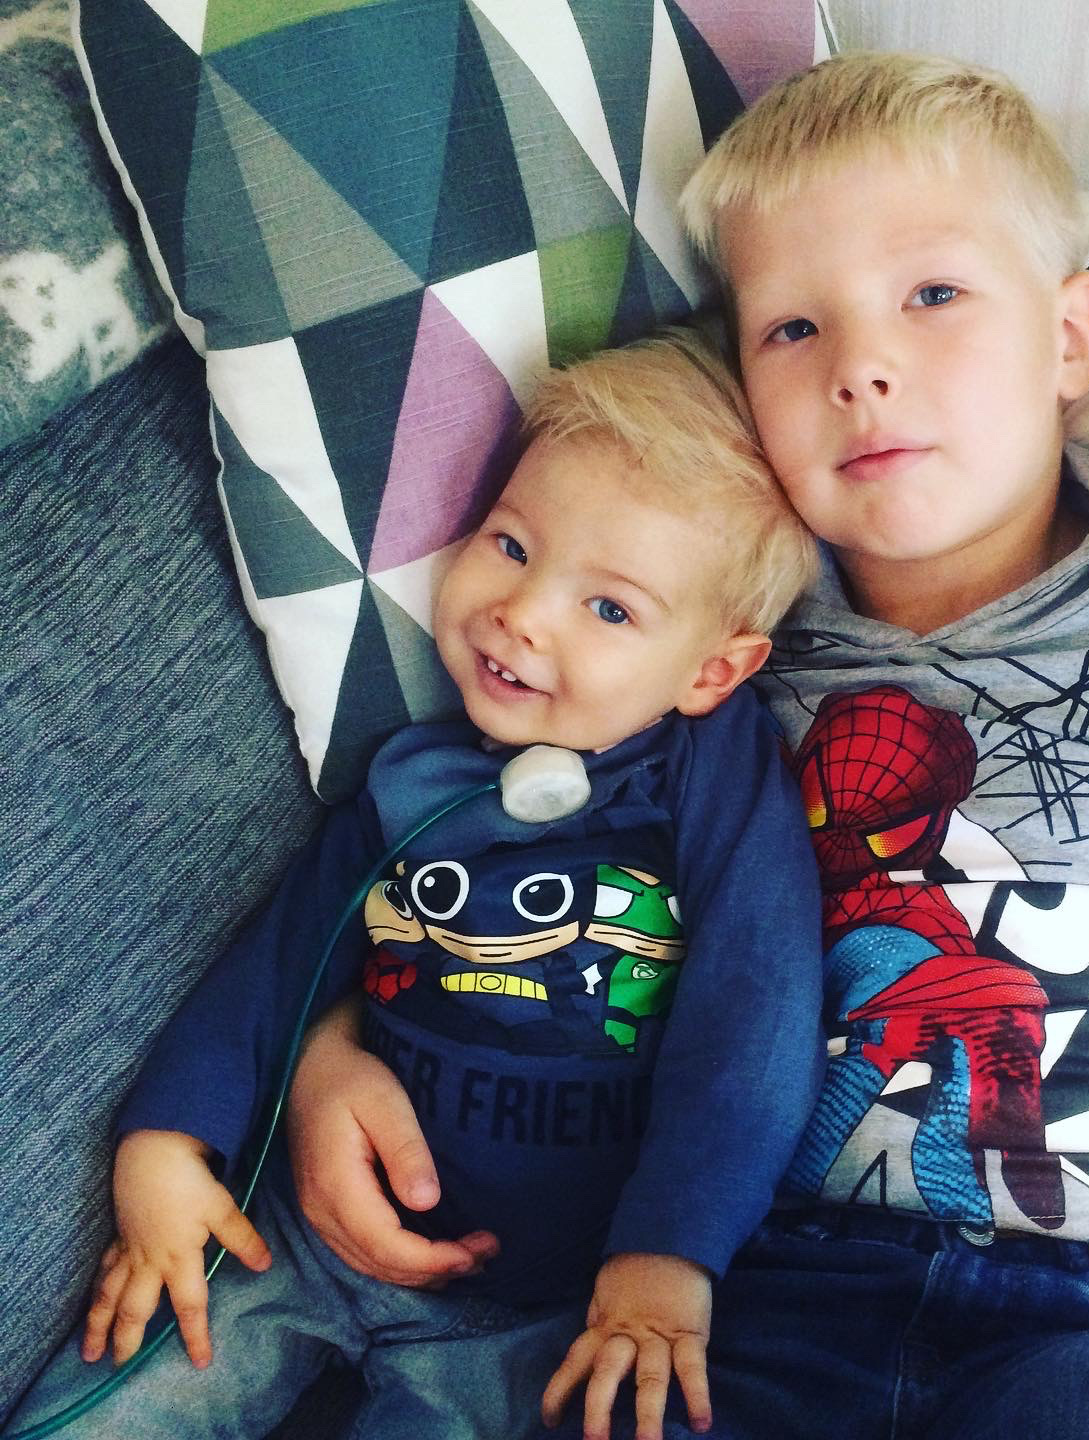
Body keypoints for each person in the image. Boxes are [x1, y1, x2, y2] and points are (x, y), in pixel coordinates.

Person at [282, 52, 1089, 1440]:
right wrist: (322, 1051)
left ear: (1069, 338)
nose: (862, 369)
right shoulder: (711, 642)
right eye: (792, 328)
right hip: (745, 1297)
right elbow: (461, 863)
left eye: (934, 294)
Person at [2, 329, 826, 1440]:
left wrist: (666, 1256)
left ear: (714, 670)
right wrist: (167, 1144)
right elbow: (280, 965)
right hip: (295, 1237)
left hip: (536, 1309)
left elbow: (756, 1013)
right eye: (511, 544)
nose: (523, 612)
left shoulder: (710, 778)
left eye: (611, 609)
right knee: (125, 1393)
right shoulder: (413, 780)